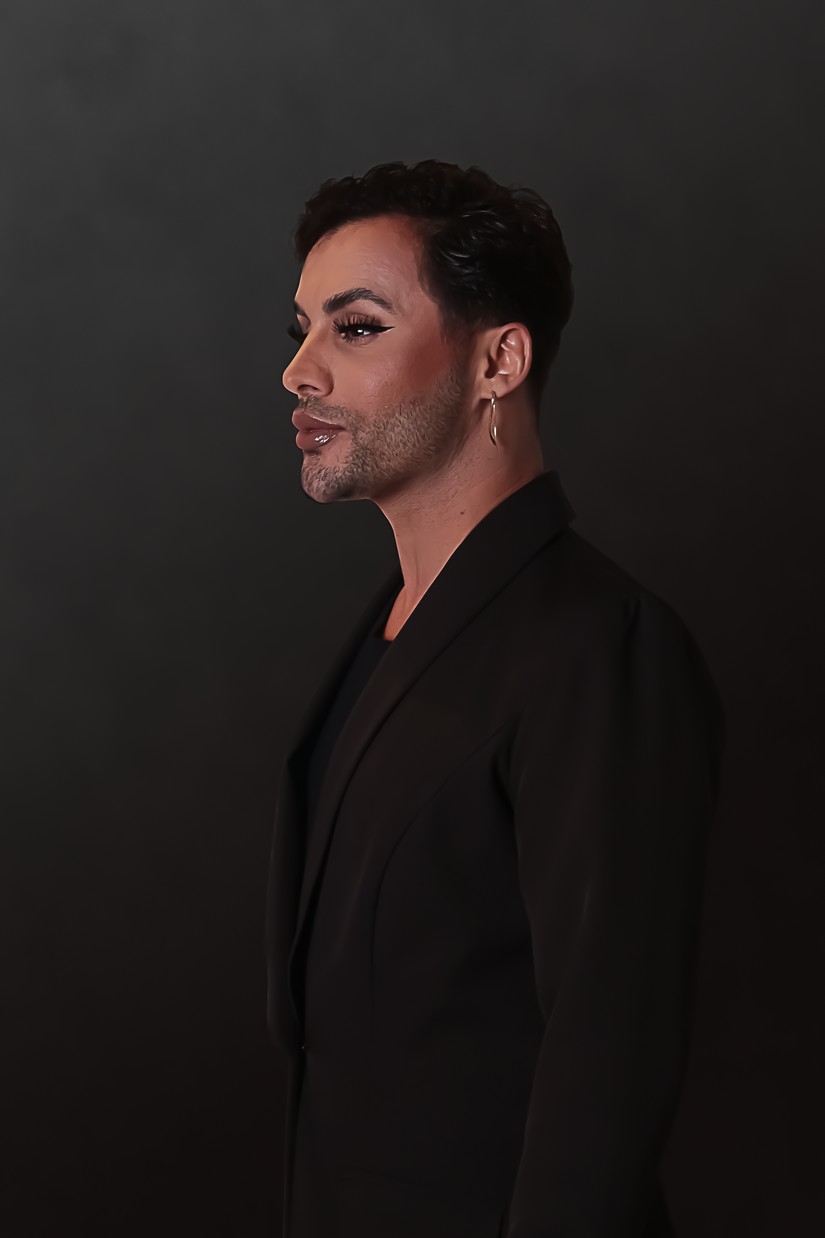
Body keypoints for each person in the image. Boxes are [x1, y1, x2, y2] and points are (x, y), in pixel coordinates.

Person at [265, 158, 725, 1238]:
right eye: (300, 328)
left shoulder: (598, 645)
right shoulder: (386, 634)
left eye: (355, 327)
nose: (297, 370)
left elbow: (607, 1063)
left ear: (498, 361)